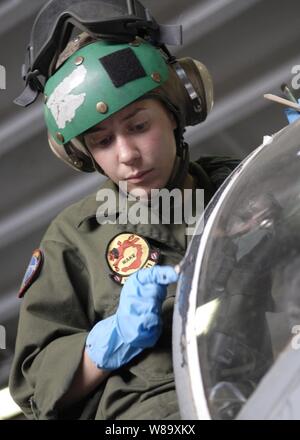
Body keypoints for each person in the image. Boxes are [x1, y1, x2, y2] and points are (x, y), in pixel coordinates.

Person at [9, 0, 239, 420]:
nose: (127, 155)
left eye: (138, 126)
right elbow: (34, 385)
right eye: (102, 142)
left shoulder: (240, 187)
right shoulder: (75, 236)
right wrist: (109, 341)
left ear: (176, 111)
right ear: (82, 155)